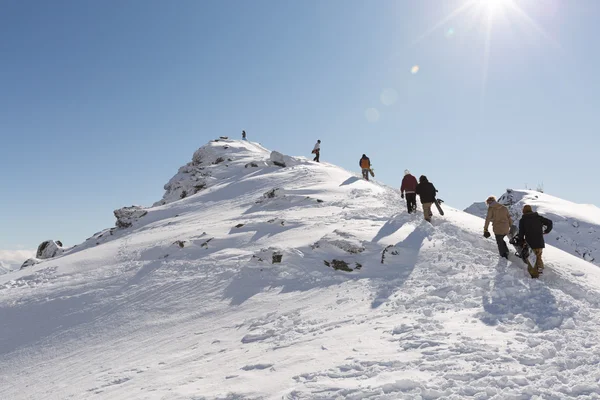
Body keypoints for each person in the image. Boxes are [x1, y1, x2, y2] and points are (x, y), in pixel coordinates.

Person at [517, 204, 553, 275]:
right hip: (540, 242)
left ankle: (534, 276)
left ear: (523, 211)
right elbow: (550, 222)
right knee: (538, 256)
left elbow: (521, 233)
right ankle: (540, 269)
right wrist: (546, 231)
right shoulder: (538, 217)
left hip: (530, 244)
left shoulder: (523, 220)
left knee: (532, 260)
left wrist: (521, 242)